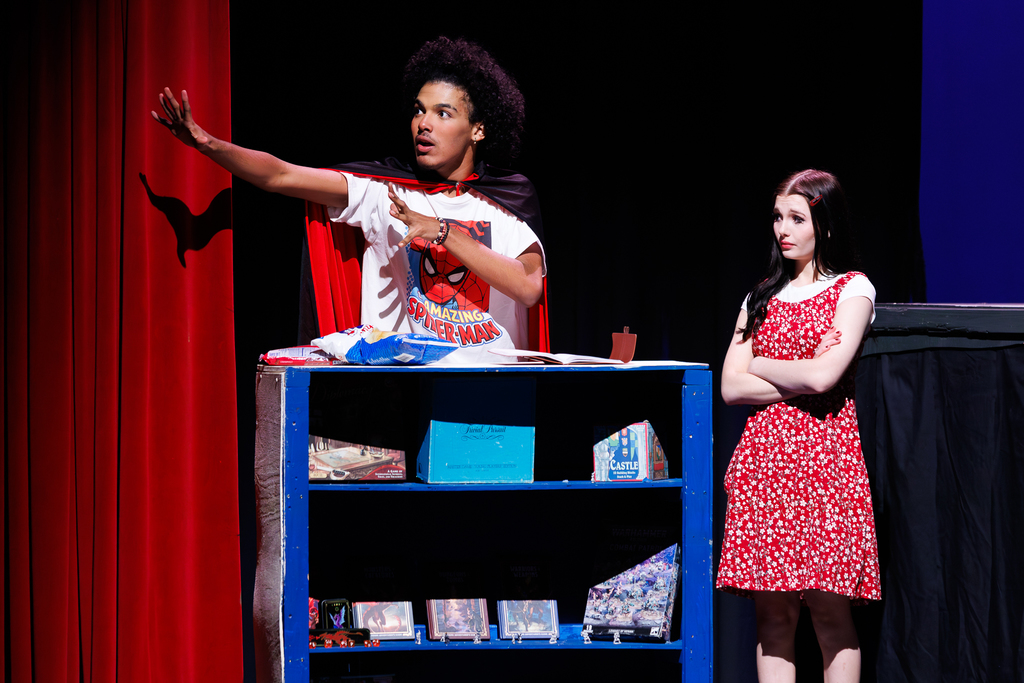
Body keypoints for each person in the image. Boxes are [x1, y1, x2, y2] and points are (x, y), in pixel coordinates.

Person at [151, 37, 545, 362]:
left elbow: (528, 287)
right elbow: (281, 174)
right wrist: (207, 144)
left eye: (443, 114)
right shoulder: (383, 189)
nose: (423, 123)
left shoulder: (507, 200)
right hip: (404, 388)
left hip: (492, 391)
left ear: (477, 130)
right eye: (419, 111)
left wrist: (440, 231)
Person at [717, 169, 881, 683]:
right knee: (774, 616)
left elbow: (826, 374)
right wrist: (798, 373)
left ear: (825, 226)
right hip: (764, 465)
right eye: (778, 218)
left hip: (825, 464)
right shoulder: (762, 295)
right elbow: (729, 387)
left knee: (830, 613)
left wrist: (761, 365)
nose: (782, 229)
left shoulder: (852, 290)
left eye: (796, 218)